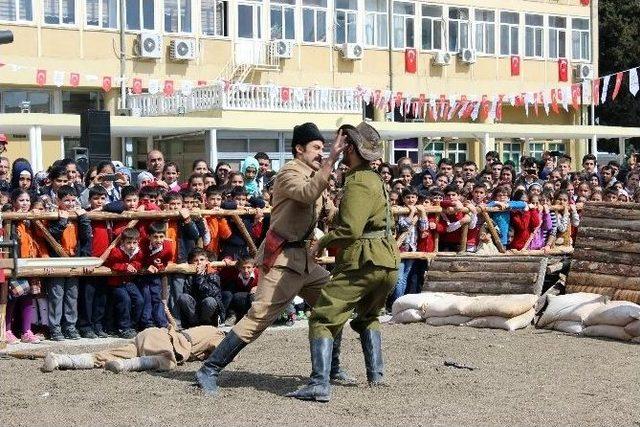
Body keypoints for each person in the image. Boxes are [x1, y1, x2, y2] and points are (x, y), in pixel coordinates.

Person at [196, 122, 348, 396]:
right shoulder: (290, 173)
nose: (321, 153)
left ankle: (332, 368)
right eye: (316, 148)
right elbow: (307, 193)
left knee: (332, 305)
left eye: (322, 149)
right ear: (299, 149)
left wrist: (357, 202)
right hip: (282, 257)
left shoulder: (317, 174)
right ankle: (209, 369)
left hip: (305, 259)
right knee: (259, 317)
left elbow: (330, 212)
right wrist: (333, 161)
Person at [288, 121, 399, 402]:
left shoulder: (359, 180)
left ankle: (319, 384)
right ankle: (376, 376)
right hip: (386, 262)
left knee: (322, 318)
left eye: (346, 144)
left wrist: (321, 242)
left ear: (352, 149)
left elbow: (351, 229)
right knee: (368, 316)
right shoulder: (375, 179)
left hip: (363, 261)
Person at [42, 325, 225, 373]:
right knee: (168, 363)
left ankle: (60, 359)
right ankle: (126, 365)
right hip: (165, 340)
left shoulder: (206, 329)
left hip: (150, 336)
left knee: (105, 356)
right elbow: (222, 353)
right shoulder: (218, 334)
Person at [178, 248, 226, 327]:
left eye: (202, 259)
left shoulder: (213, 274)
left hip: (208, 311)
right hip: (194, 311)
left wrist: (199, 277)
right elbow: (187, 295)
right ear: (191, 262)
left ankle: (204, 323)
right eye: (196, 260)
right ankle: (194, 322)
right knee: (183, 297)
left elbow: (211, 294)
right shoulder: (190, 276)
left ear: (207, 261)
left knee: (210, 301)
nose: (199, 262)